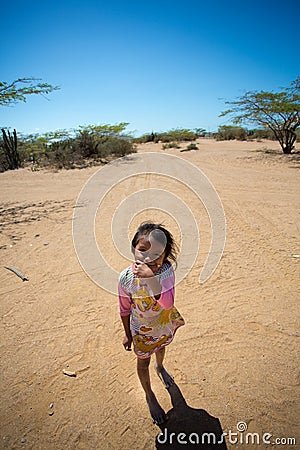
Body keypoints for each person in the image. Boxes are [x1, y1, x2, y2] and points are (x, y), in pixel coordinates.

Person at [118, 222, 185, 425]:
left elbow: (167, 303)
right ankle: (149, 395)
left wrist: (152, 279)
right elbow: (124, 308)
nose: (149, 258)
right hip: (141, 330)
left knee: (162, 347)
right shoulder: (126, 279)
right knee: (143, 361)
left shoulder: (165, 272)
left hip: (161, 323)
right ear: (133, 250)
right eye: (143, 251)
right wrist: (127, 334)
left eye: (157, 253)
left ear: (165, 256)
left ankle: (161, 366)